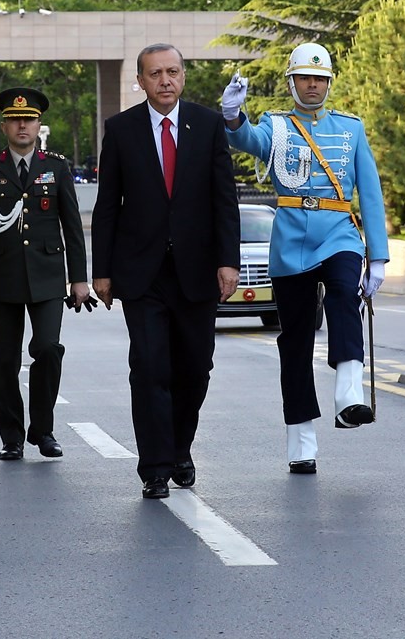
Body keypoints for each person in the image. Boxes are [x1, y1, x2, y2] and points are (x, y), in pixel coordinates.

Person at [221, 42, 389, 474]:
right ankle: (301, 442)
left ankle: (349, 396)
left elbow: (370, 194)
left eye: (320, 79)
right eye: (304, 78)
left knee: (343, 299)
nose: (312, 85)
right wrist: (233, 116)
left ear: (328, 83)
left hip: (339, 234)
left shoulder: (351, 129)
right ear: (291, 82)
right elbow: (248, 141)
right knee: (293, 342)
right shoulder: (276, 125)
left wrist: (380, 257)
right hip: (292, 239)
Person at [91, 44, 241, 499]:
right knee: (150, 367)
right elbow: (107, 207)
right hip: (142, 273)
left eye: (172, 72)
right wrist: (102, 270)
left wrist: (228, 261)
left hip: (197, 271)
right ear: (140, 80)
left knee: (195, 368)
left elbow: (223, 200)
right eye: (155, 74)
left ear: (184, 76)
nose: (165, 81)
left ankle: (180, 448)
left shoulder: (209, 125)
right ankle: (155, 467)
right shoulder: (120, 130)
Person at [0, 87, 92, 462]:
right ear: (4, 125)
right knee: (4, 361)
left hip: (46, 276)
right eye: (14, 119)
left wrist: (79, 279)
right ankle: (11, 436)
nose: (22, 124)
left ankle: (42, 429)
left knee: (47, 349)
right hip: (2, 276)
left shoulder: (55, 167)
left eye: (29, 119)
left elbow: (72, 226)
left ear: (39, 124)